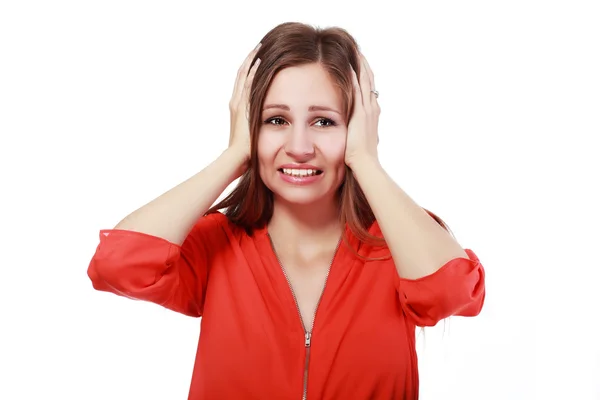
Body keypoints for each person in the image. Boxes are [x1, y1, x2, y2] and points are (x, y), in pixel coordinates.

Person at [87, 21, 485, 400]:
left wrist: (367, 159)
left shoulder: (398, 242)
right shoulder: (217, 245)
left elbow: (449, 292)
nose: (299, 146)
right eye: (276, 120)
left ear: (357, 127)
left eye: (324, 122)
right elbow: (117, 264)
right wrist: (234, 155)